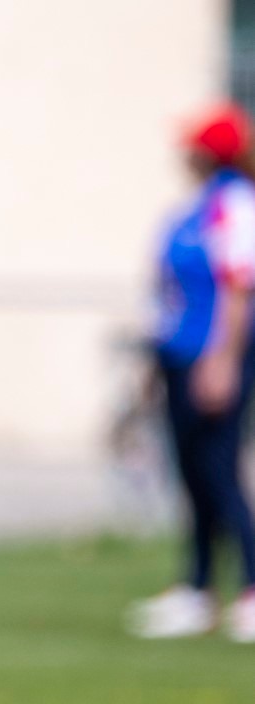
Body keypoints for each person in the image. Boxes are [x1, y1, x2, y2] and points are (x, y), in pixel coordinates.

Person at [129, 102, 255, 643]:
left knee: (220, 472)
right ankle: (197, 589)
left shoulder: (236, 204)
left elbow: (239, 287)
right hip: (178, 356)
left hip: (213, 358)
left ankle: (250, 588)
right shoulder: (192, 211)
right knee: (191, 476)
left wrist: (223, 360)